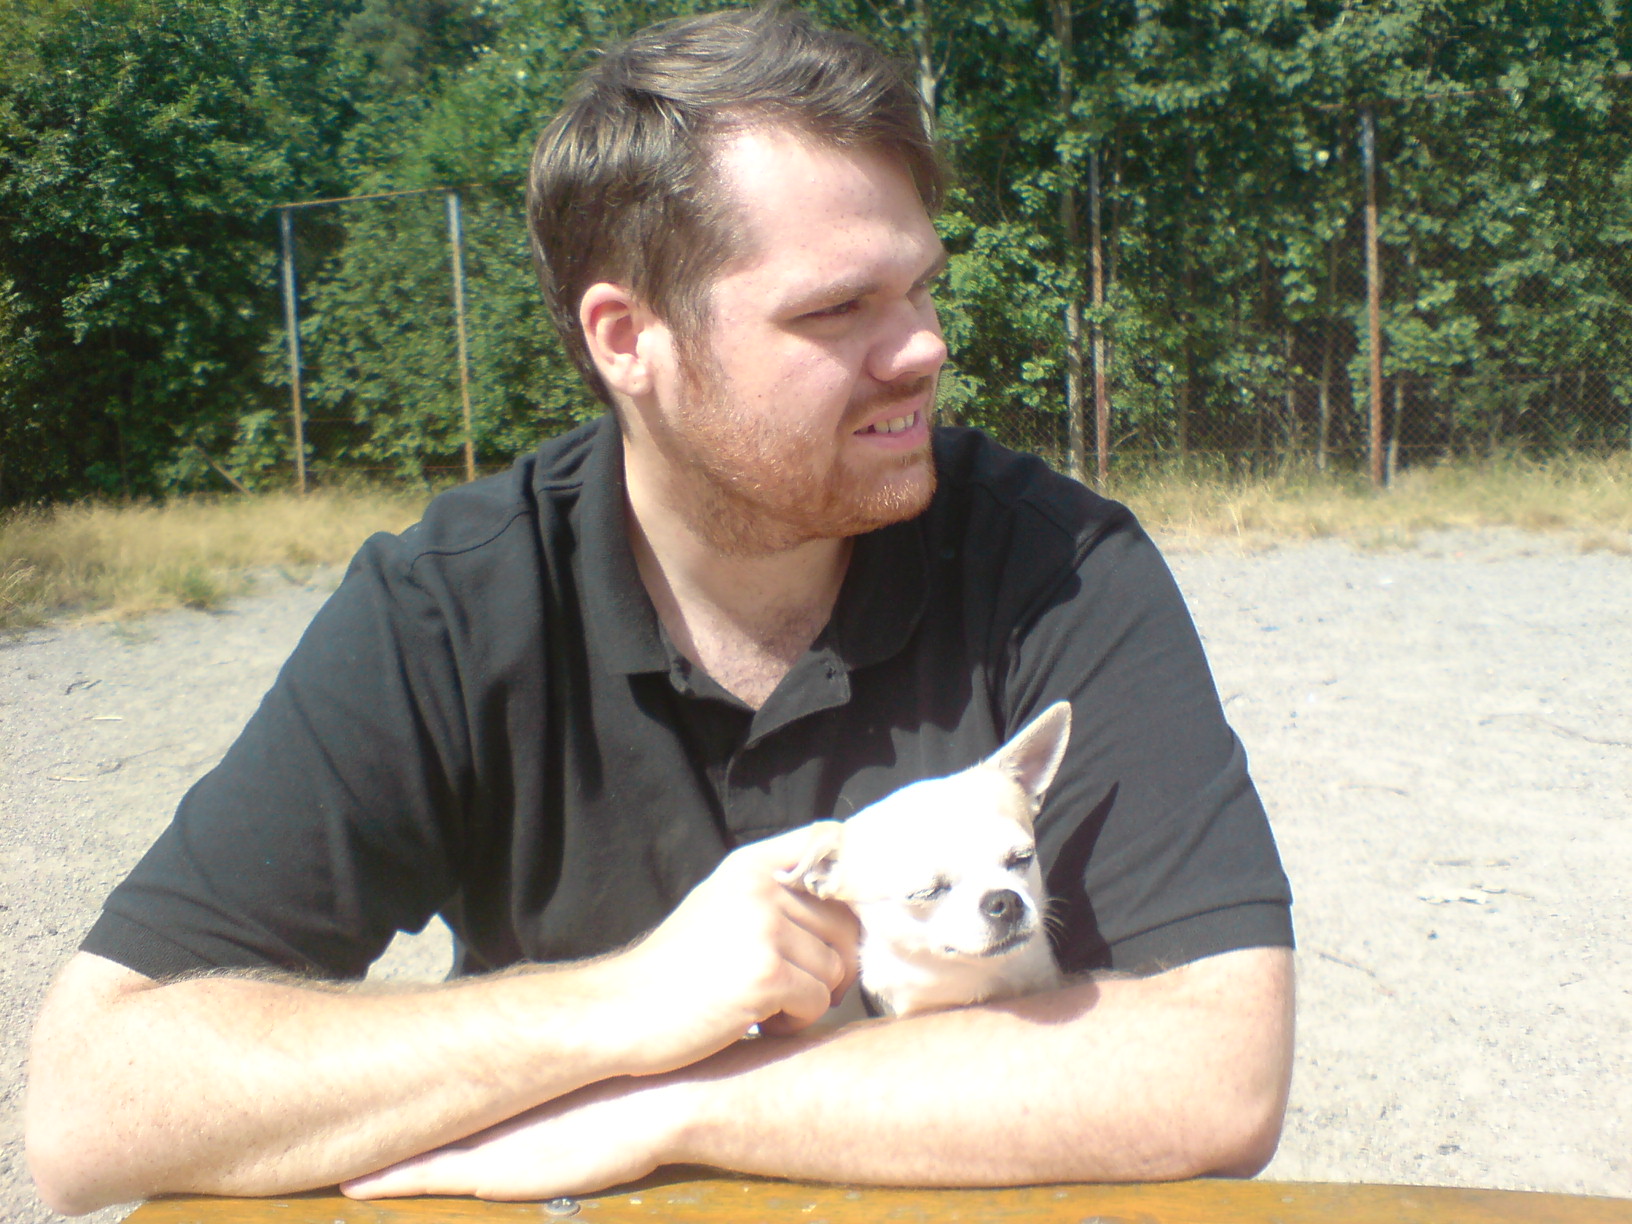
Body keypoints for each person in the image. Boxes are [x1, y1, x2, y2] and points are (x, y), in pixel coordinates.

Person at [26, 5, 1294, 1213]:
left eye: (920, 286)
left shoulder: (1057, 566)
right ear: (627, 338)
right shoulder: (454, 610)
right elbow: (92, 1108)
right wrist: (622, 1005)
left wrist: (680, 1102)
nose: (924, 348)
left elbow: (1218, 1071)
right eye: (838, 308)